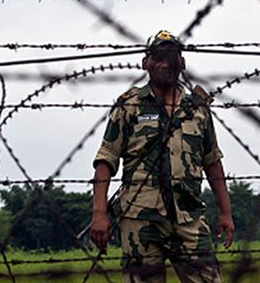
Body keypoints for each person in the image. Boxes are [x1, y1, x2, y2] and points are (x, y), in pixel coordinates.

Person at [90, 30, 234, 282]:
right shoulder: (129, 105)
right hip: (141, 219)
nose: (165, 63)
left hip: (188, 216)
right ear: (145, 63)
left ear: (182, 63)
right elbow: (106, 160)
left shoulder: (197, 110)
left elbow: (212, 161)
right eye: (158, 57)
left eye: (172, 57)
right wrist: (99, 213)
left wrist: (225, 212)